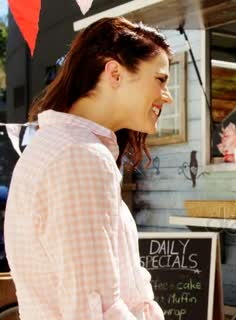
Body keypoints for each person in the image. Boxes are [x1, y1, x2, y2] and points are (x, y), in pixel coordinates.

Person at [4, 17, 173, 319]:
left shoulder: (63, 147)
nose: (167, 96)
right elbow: (94, 310)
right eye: (160, 80)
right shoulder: (79, 157)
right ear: (115, 73)